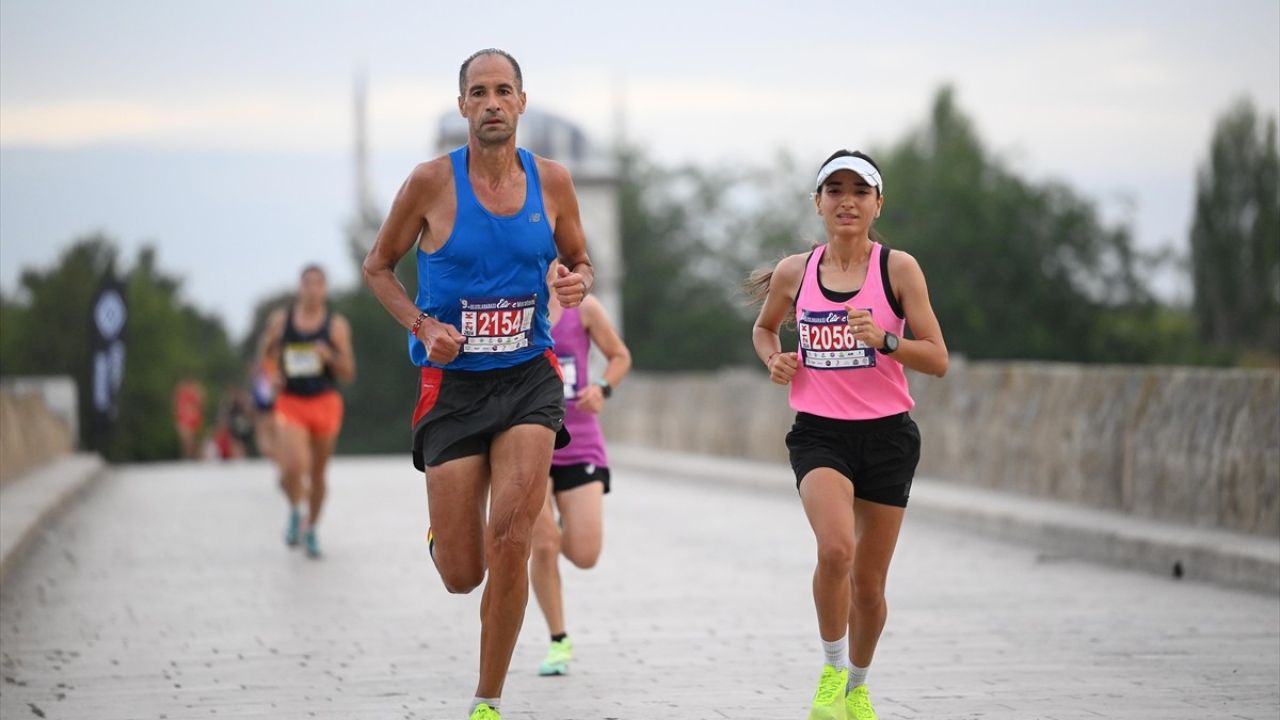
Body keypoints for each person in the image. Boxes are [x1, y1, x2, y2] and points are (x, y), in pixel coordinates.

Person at [362, 48, 594, 720]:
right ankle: (443, 534)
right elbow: (378, 267)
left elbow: (578, 258)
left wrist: (578, 281)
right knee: (465, 572)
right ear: (463, 106)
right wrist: (421, 324)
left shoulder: (552, 182)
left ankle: (487, 700)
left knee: (512, 539)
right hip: (453, 386)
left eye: (503, 91)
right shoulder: (430, 183)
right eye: (478, 92)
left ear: (522, 102)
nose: (491, 103)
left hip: (528, 378)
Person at [748, 150, 948, 720]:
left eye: (860, 192)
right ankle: (832, 671)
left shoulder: (898, 270)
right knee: (835, 549)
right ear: (818, 203)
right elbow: (764, 328)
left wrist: (886, 340)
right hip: (820, 435)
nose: (846, 201)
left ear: (877, 203)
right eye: (834, 191)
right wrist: (775, 359)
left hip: (888, 437)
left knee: (869, 584)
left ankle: (858, 686)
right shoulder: (796, 271)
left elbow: (937, 358)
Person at [529, 288, 630, 677]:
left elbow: (621, 356)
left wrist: (602, 387)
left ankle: (552, 525)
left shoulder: (583, 307)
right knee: (544, 545)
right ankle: (558, 640)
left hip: (581, 443)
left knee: (585, 554)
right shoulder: (515, 303)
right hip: (528, 442)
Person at [257, 265, 356, 558]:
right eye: (307, 284)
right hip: (291, 401)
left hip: (324, 402)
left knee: (317, 473)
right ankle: (296, 510)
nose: (312, 289)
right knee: (291, 467)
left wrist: (330, 357)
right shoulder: (281, 321)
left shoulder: (335, 325)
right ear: (299, 288)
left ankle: (311, 528)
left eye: (318, 284)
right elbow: (267, 354)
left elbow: (349, 371)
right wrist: (273, 374)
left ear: (325, 290)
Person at [172, 375, 205, 460]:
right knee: (185, 439)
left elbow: (201, 402)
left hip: (192, 417)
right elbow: (176, 405)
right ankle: (188, 457)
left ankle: (193, 456)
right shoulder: (181, 391)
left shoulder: (196, 390)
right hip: (184, 418)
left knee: (191, 440)